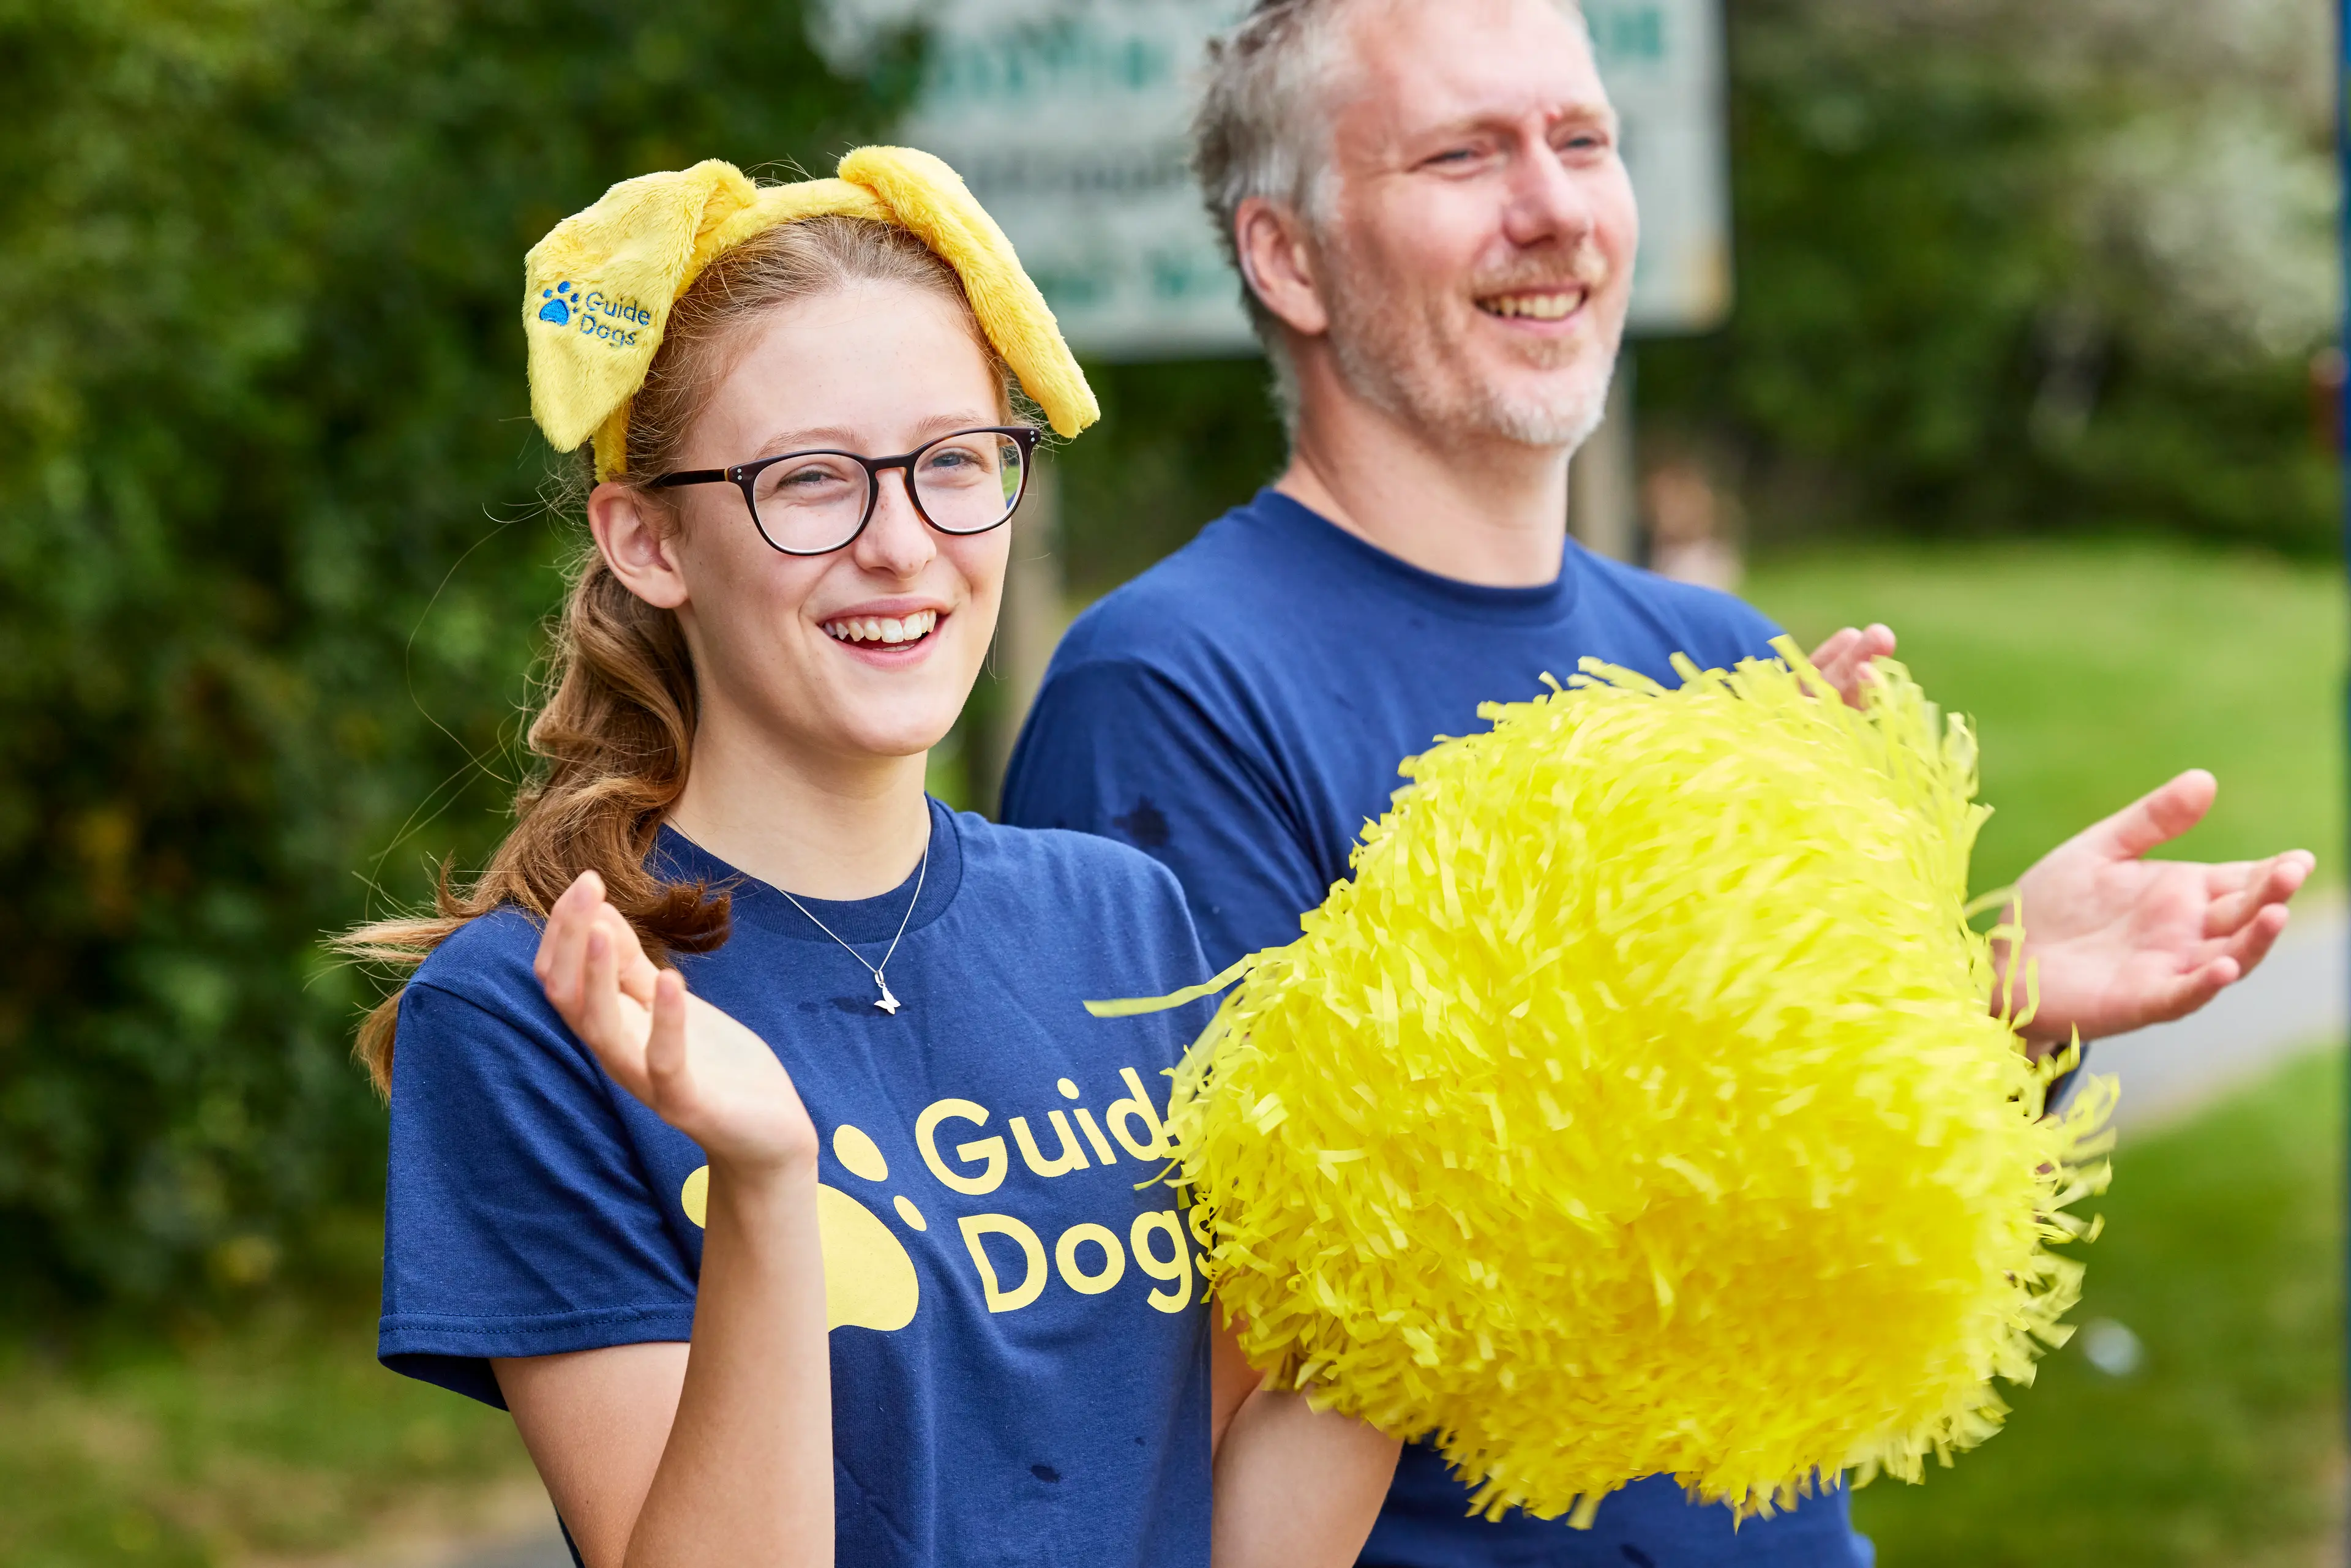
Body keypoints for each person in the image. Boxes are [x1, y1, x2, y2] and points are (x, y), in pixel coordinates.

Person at [1000, 2, 2315, 1564]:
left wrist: (1990, 1014)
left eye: (1583, 141)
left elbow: (1807, 1239)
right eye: (1463, 152)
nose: (1553, 205)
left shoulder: (1721, 656)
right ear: (1287, 257)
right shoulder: (1170, 688)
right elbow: (1193, 1359)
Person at [342, 149, 1398, 1568]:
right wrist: (767, 1184)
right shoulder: (539, 1006)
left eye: (957, 463)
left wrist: (1431, 1223)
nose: (905, 545)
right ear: (649, 539)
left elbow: (1217, 1515)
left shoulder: (1124, 920)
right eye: (812, 480)